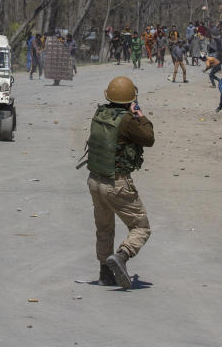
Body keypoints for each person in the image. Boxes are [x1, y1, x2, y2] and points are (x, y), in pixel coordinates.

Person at [83, 76, 155, 289]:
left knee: (104, 228)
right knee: (141, 227)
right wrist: (140, 115)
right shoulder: (128, 120)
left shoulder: (100, 113)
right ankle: (122, 256)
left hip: (95, 180)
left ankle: (105, 273)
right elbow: (149, 138)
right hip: (117, 183)